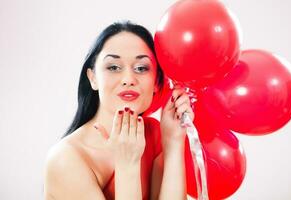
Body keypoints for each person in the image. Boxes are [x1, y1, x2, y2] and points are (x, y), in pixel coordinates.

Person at [43, 20, 195, 200]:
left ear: (156, 82)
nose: (128, 79)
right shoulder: (66, 159)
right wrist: (127, 165)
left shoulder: (153, 134)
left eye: (141, 68)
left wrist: (173, 142)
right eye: (113, 67)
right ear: (93, 79)